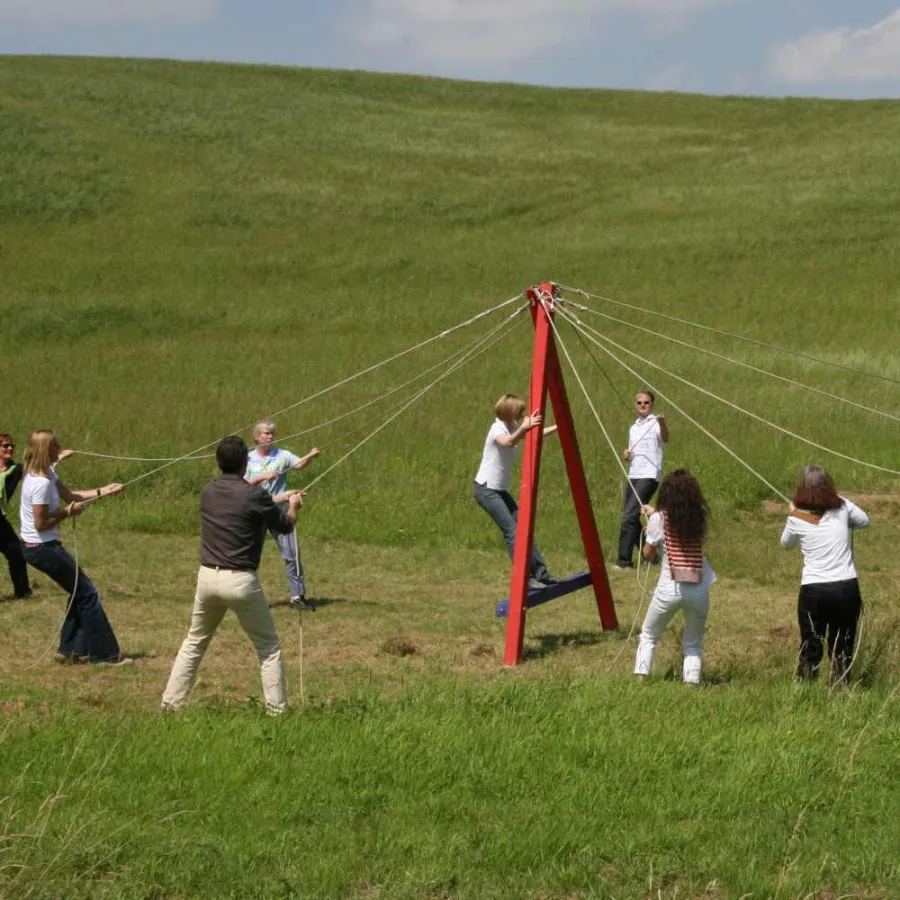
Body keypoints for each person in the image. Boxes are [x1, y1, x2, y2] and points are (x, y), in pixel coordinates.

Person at [162, 435, 305, 715]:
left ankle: (170, 705)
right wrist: (293, 505)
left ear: (219, 463)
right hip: (240, 580)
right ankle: (277, 712)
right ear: (244, 463)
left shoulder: (208, 491)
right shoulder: (255, 495)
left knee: (194, 642)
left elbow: (242, 500)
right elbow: (285, 526)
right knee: (269, 647)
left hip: (206, 577)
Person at [18, 430, 129, 665]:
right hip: (42, 548)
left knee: (79, 591)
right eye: (55, 446)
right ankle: (105, 655)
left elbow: (72, 495)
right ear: (45, 450)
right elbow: (40, 523)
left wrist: (103, 491)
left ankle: (70, 650)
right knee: (88, 594)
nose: (59, 447)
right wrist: (68, 513)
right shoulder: (41, 483)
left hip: (39, 546)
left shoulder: (41, 472)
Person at [780, 465, 869, 685]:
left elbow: (785, 544)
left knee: (811, 643)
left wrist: (793, 511)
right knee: (843, 645)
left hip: (814, 591)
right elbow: (864, 521)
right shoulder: (843, 506)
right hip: (846, 589)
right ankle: (841, 688)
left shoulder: (797, 516)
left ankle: (807, 689)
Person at [634, 469, 715, 685]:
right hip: (699, 588)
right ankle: (691, 685)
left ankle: (641, 682)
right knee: (693, 644)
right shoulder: (701, 514)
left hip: (669, 588)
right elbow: (678, 520)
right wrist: (654, 516)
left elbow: (648, 554)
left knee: (649, 635)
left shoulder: (659, 519)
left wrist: (649, 532)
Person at [472, 393, 559, 590]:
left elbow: (532, 433)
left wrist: (558, 427)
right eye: (519, 411)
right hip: (486, 489)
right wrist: (523, 427)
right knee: (512, 532)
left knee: (524, 529)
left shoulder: (512, 427)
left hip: (499, 490)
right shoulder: (497, 429)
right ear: (509, 412)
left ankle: (541, 574)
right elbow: (508, 442)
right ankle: (525, 578)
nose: (521, 415)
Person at [244, 420, 320, 610]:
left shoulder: (282, 454)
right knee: (249, 554)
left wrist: (311, 456)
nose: (269, 436)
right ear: (256, 437)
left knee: (292, 553)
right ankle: (245, 597)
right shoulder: (246, 458)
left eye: (271, 434)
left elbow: (299, 464)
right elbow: (242, 484)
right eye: (265, 433)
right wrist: (262, 477)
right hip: (255, 511)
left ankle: (298, 596)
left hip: (278, 510)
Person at [616, 390, 669, 569]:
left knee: (628, 517)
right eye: (639, 403)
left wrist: (662, 423)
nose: (643, 405)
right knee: (631, 517)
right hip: (634, 474)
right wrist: (627, 455)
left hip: (649, 475)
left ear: (652, 404)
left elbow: (665, 437)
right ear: (635, 405)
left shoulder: (655, 423)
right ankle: (652, 555)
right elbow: (632, 454)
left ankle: (624, 561)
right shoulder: (634, 427)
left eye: (646, 402)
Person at [0, 433, 31, 600]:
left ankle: (23, 592)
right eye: (5, 446)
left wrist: (58, 457)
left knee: (16, 553)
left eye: (12, 446)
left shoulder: (16, 469)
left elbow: (37, 469)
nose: (10, 448)